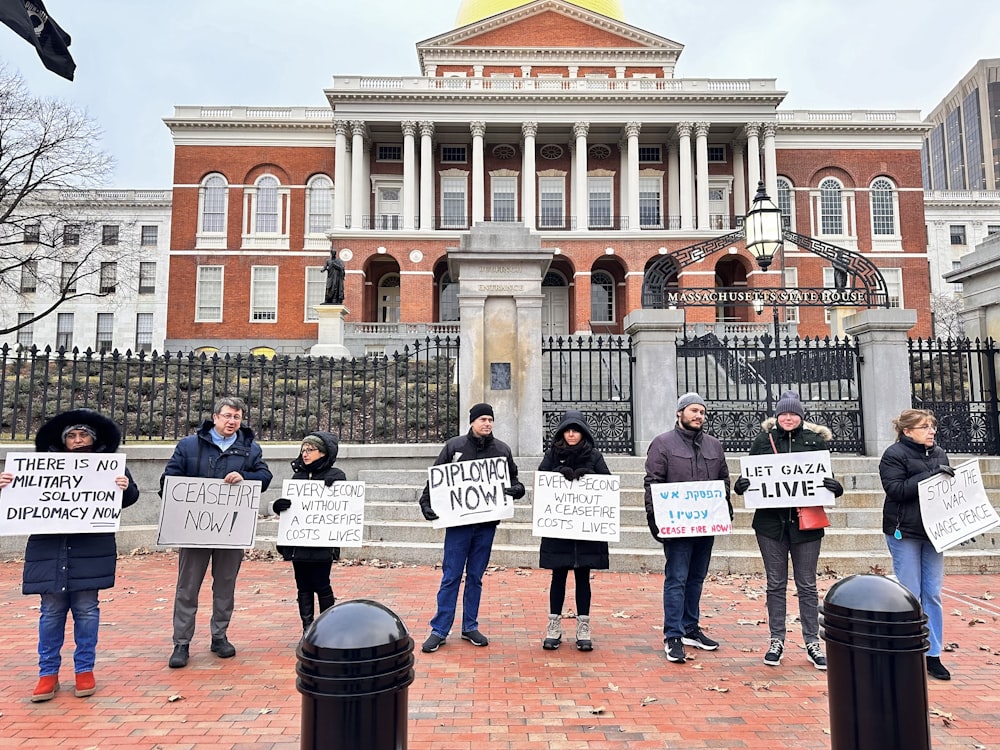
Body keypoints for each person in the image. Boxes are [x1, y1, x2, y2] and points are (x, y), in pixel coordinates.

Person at [0, 409, 138, 702]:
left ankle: (84, 670)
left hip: (91, 549)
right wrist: (5, 487)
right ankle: (47, 674)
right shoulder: (39, 467)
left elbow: (129, 498)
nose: (77, 440)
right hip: (49, 549)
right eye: (72, 436)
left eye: (83, 434)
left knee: (87, 610)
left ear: (94, 437)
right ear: (64, 440)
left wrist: (124, 489)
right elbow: (20, 502)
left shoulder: (108, 466)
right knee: (50, 612)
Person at [732, 390, 843, 671]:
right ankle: (776, 639)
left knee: (807, 585)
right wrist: (742, 486)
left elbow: (823, 478)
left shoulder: (814, 441)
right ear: (777, 416)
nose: (788, 417)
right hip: (770, 525)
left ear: (801, 416)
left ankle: (812, 642)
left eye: (793, 413)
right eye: (784, 413)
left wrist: (835, 488)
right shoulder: (763, 441)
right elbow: (752, 477)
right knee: (775, 584)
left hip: (806, 525)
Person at [160, 396, 272, 668]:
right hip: (194, 529)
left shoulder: (250, 449)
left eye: (237, 417)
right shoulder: (188, 446)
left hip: (230, 531)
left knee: (225, 585)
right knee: (187, 587)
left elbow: (265, 477)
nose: (232, 421)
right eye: (227, 416)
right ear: (215, 417)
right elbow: (167, 481)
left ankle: (219, 636)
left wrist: (247, 478)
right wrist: (192, 490)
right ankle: (181, 642)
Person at [418, 403, 525, 653]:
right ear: (472, 421)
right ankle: (439, 629)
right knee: (451, 575)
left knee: (475, 576)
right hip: (458, 525)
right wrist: (425, 503)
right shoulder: (454, 447)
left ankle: (470, 626)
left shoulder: (502, 450)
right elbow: (435, 478)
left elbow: (514, 481)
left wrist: (517, 491)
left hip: (486, 525)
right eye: (482, 419)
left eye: (490, 419)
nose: (487, 423)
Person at [643, 392, 731, 664]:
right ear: (680, 412)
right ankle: (673, 634)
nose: (698, 416)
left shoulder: (714, 446)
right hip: (677, 526)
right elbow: (653, 482)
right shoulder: (662, 444)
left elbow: (724, 480)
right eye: (693, 410)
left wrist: (724, 509)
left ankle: (691, 627)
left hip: (706, 525)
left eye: (702, 412)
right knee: (677, 579)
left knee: (696, 578)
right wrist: (655, 519)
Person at [879, 408, 953, 681]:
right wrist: (930, 477)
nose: (931, 431)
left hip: (934, 533)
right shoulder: (893, 455)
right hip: (905, 531)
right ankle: (908, 651)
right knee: (910, 594)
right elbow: (896, 490)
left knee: (932, 592)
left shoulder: (939, 453)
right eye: (925, 427)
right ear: (907, 431)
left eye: (932, 426)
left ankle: (933, 654)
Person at [537, 410, 612, 651]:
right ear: (561, 433)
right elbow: (541, 481)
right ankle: (554, 625)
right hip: (559, 529)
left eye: (576, 430)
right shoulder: (552, 455)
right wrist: (558, 475)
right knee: (558, 576)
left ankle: (584, 626)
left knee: (583, 577)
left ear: (583, 433)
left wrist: (589, 477)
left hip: (586, 531)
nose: (571, 434)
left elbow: (608, 484)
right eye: (567, 430)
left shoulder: (594, 456)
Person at [271, 432, 346, 630]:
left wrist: (334, 491)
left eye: (310, 450)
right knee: (303, 585)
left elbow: (344, 507)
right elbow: (291, 510)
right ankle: (308, 627)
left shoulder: (336, 476)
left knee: (322, 584)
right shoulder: (298, 477)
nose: (305, 454)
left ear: (323, 453)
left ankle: (328, 626)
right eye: (303, 450)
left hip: (322, 544)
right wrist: (279, 507)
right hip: (298, 544)